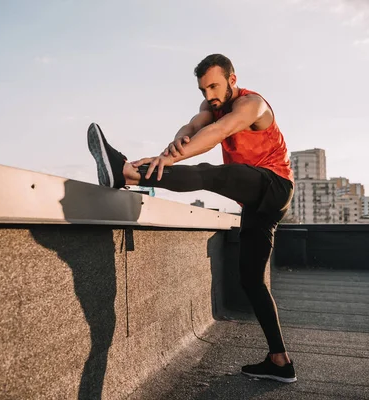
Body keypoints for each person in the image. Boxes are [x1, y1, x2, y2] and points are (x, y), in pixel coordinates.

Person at [87, 53, 296, 383]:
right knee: (251, 279)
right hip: (256, 204)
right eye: (203, 89)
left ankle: (127, 173)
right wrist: (173, 146)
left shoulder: (252, 105)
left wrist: (160, 163)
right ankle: (280, 361)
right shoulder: (209, 108)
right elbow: (193, 127)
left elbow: (219, 131)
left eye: (214, 86)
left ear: (232, 79)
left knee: (210, 174)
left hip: (274, 184)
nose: (209, 95)